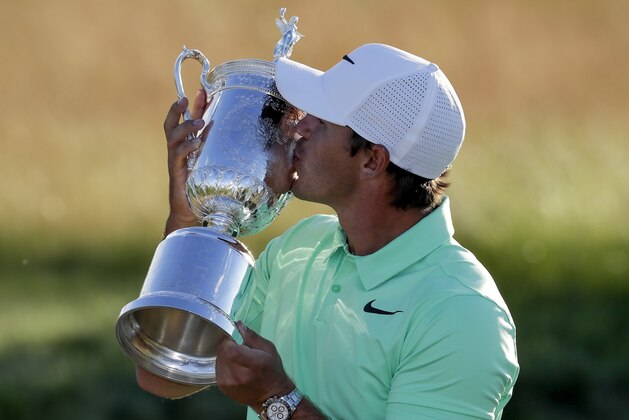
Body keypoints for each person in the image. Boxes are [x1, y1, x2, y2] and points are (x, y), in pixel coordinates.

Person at [137, 43, 519, 419]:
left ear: (372, 160)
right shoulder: (297, 250)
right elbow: (162, 372)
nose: (301, 127)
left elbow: (266, 398)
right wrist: (189, 221)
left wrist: (278, 400)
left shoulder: (461, 313)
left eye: (321, 120)